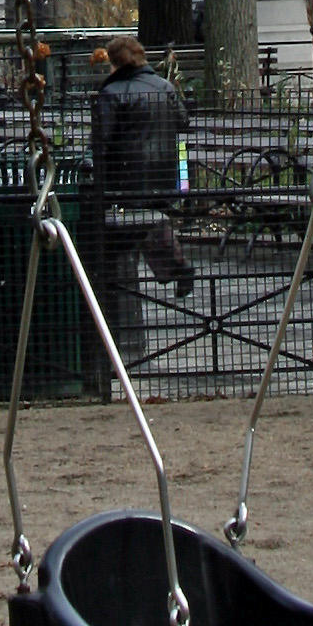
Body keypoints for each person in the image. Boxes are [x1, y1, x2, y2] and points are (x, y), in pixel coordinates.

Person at [84, 36, 194, 375]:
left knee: (111, 244)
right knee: (149, 221)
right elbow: (183, 123)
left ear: (114, 62)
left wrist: (92, 172)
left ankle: (111, 332)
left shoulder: (111, 94)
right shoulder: (164, 87)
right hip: (162, 177)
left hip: (124, 181)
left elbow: (102, 143)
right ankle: (174, 264)